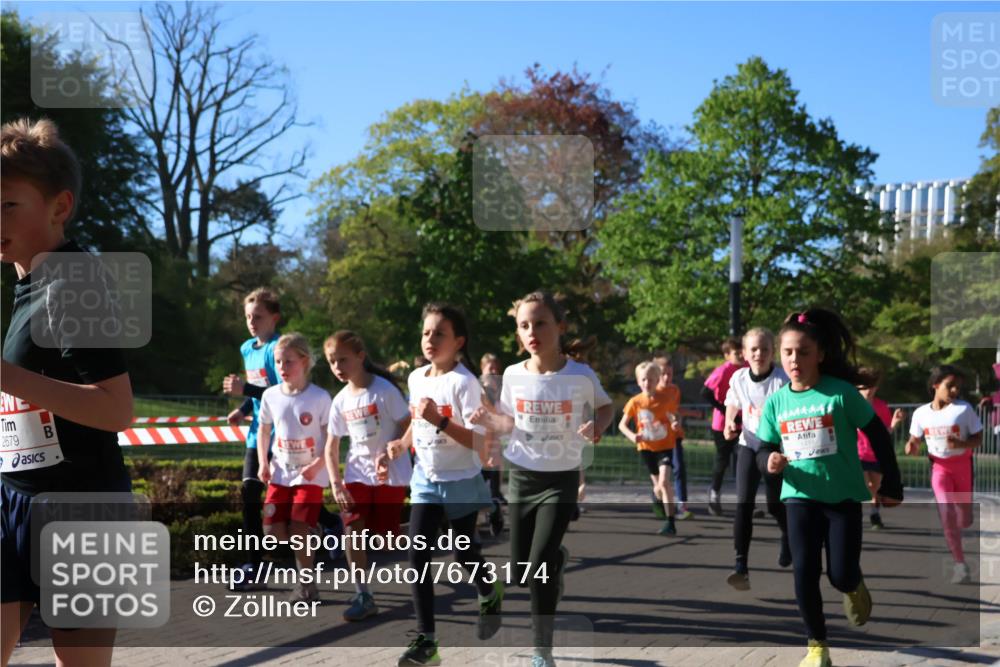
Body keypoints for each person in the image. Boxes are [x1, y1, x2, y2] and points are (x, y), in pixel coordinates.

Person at [2, 117, 135, 667]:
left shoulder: (74, 278)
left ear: (60, 206)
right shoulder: (28, 282)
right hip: (14, 497)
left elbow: (116, 409)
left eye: (8, 204)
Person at [472, 291, 614, 667]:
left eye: (540, 323)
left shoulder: (580, 374)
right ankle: (558, 558)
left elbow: (606, 406)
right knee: (520, 571)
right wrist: (488, 423)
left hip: (560, 478)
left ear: (560, 328)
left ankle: (542, 650)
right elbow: (507, 422)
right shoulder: (514, 375)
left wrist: (597, 427)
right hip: (521, 476)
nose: (531, 331)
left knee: (538, 567)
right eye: (523, 325)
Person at [757, 309, 903, 667]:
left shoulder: (839, 394)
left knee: (840, 573)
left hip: (842, 498)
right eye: (788, 352)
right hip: (799, 497)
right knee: (804, 570)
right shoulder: (776, 401)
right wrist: (769, 461)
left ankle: (854, 586)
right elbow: (763, 448)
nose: (794, 360)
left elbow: (877, 435)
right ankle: (817, 646)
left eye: (803, 352)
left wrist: (892, 483)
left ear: (820, 354)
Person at [386, 303, 502, 666]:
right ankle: (427, 644)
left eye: (439, 333)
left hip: (462, 480)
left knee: (464, 554)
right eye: (426, 332)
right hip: (425, 480)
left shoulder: (465, 383)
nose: (430, 339)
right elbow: (417, 422)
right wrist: (402, 444)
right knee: (417, 557)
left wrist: (440, 421)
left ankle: (489, 589)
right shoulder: (416, 378)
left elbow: (480, 443)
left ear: (458, 341)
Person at [325, 331, 412, 621]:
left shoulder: (384, 390)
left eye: (343, 360)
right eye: (332, 362)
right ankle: (364, 594)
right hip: (357, 474)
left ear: (361, 357)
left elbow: (405, 423)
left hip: (389, 474)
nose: (338, 367)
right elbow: (331, 446)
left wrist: (390, 451)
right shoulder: (339, 401)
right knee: (353, 531)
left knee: (386, 539)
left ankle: (423, 531)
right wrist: (336, 483)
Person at [257, 333, 333, 603]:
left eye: (288, 362)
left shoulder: (320, 397)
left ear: (304, 361)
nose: (282, 368)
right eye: (278, 362)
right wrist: (263, 463)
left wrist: (318, 464)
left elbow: (330, 438)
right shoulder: (270, 396)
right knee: (272, 532)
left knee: (299, 531)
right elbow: (263, 430)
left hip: (310, 473)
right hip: (280, 471)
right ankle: (318, 532)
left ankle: (306, 587)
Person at [722, 327, 791, 590]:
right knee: (743, 504)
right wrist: (730, 422)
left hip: (774, 448)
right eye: (753, 349)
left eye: (764, 349)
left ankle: (786, 535)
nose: (759, 353)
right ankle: (741, 565)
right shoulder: (739, 378)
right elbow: (733, 402)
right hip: (748, 446)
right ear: (744, 353)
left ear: (772, 352)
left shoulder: (781, 380)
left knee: (774, 505)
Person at [222, 287, 281, 588]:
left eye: (258, 316)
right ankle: (254, 567)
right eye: (247, 316)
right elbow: (260, 395)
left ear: (274, 317)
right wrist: (243, 408)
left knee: (287, 496)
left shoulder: (279, 349)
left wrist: (245, 390)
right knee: (249, 495)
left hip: (283, 435)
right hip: (257, 434)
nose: (252, 322)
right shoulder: (248, 348)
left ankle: (329, 521)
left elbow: (282, 394)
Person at [904, 365, 982, 584]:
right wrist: (911, 446)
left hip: (962, 466)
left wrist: (962, 443)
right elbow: (914, 440)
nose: (955, 390)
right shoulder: (921, 414)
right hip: (939, 469)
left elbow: (979, 438)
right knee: (947, 515)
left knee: (963, 519)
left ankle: (964, 516)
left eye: (958, 386)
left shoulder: (963, 409)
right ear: (935, 385)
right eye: (950, 385)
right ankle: (960, 564)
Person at [620, 362, 678, 536]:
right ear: (638, 381)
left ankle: (670, 523)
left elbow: (672, 414)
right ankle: (657, 498)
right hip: (646, 447)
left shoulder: (665, 398)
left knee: (664, 483)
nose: (647, 383)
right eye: (644, 379)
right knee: (658, 488)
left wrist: (675, 422)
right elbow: (622, 425)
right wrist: (632, 436)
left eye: (651, 379)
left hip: (665, 445)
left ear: (657, 380)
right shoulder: (635, 402)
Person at [855, 368, 904, 531]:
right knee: (860, 485)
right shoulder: (850, 403)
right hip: (856, 454)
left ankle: (874, 514)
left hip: (875, 454)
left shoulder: (881, 406)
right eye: (864, 386)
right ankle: (852, 516)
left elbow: (884, 433)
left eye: (872, 386)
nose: (868, 390)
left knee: (874, 487)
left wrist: (894, 424)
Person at [653, 354, 700, 519]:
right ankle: (659, 502)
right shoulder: (652, 392)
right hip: (658, 439)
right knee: (660, 475)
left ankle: (682, 505)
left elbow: (675, 411)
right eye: (663, 374)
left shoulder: (674, 390)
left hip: (674, 436)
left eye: (670, 374)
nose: (666, 377)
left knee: (679, 468)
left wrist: (685, 417)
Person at [702, 338, 746, 516]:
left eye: (742, 351)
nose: (741, 355)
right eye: (736, 353)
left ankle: (747, 500)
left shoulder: (747, 368)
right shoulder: (722, 371)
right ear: (727, 355)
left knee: (745, 459)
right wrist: (725, 410)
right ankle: (714, 495)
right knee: (723, 460)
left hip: (744, 422)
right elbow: (705, 393)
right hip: (722, 424)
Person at [479, 352, 506, 536]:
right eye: (490, 367)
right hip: (475, 451)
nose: (494, 371)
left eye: (496, 367)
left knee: (493, 492)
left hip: (493, 452)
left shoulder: (503, 393)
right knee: (476, 493)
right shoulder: (475, 389)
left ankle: (495, 513)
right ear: (482, 370)